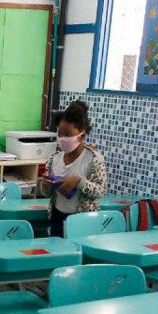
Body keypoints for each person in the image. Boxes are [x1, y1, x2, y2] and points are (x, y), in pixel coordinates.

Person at [40, 100, 107, 237]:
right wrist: (45, 185)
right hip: (57, 217)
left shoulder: (94, 159)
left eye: (68, 134)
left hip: (82, 222)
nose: (62, 138)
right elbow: (48, 194)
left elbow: (100, 191)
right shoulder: (54, 159)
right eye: (60, 134)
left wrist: (78, 181)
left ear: (81, 136)